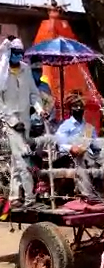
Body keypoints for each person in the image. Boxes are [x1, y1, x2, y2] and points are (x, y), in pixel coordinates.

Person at [0, 36, 44, 208]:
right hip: (12, 124)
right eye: (15, 53)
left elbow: (34, 94)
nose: (18, 56)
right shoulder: (2, 73)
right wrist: (11, 120)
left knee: (16, 159)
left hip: (25, 122)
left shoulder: (26, 70)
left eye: (21, 53)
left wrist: (40, 110)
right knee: (24, 158)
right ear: (9, 53)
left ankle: (14, 197)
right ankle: (30, 199)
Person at [55, 91, 102, 202]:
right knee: (82, 156)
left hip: (89, 156)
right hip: (69, 157)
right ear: (71, 109)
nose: (79, 108)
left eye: (80, 106)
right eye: (76, 106)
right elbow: (60, 143)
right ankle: (87, 193)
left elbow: (95, 143)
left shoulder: (88, 127)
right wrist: (71, 148)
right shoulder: (66, 125)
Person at [30, 56, 55, 122]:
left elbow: (51, 104)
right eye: (35, 70)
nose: (38, 73)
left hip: (44, 121)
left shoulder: (45, 86)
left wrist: (46, 113)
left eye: (40, 70)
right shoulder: (25, 86)